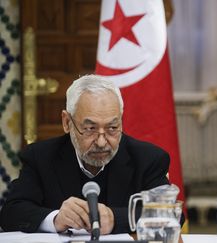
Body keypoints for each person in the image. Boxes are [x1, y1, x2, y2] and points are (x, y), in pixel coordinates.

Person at [0, 75, 171, 234]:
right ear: (67, 122)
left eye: (112, 128)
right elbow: (11, 213)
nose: (102, 142)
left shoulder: (148, 159)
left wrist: (115, 219)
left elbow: (169, 214)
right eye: (90, 129)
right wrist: (55, 218)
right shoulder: (40, 157)